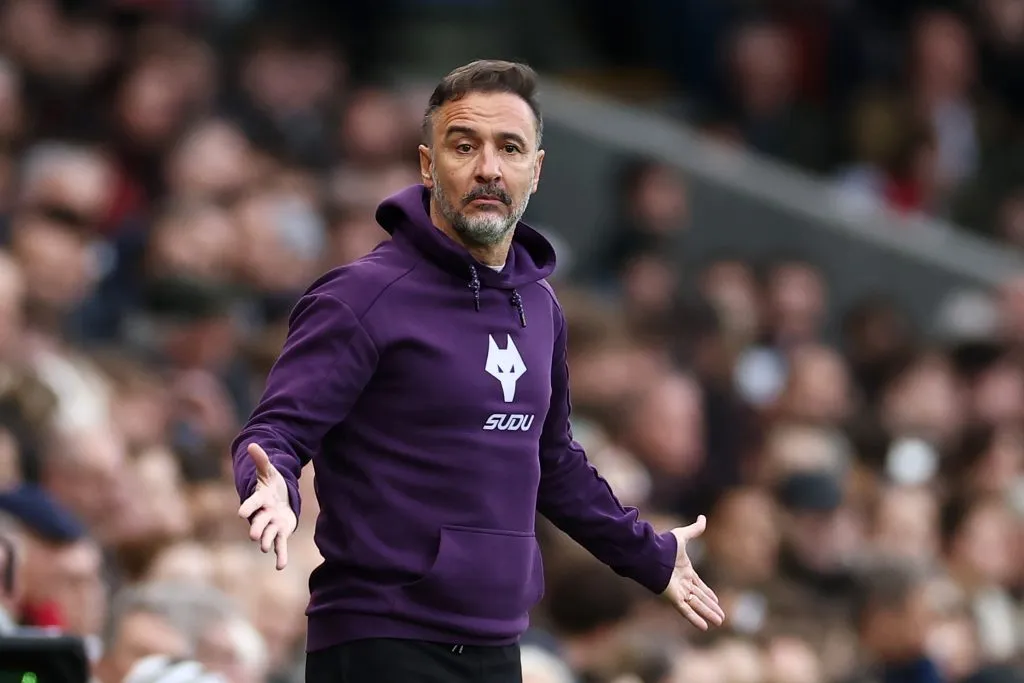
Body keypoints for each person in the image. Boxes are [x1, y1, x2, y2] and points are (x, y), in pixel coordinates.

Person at [231, 59, 725, 683]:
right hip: (381, 639)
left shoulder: (541, 306)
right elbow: (274, 432)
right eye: (464, 146)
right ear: (427, 164)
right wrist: (268, 487)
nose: (487, 167)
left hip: (497, 644)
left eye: (509, 148)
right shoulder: (362, 297)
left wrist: (648, 556)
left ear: (536, 171)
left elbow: (554, 462)